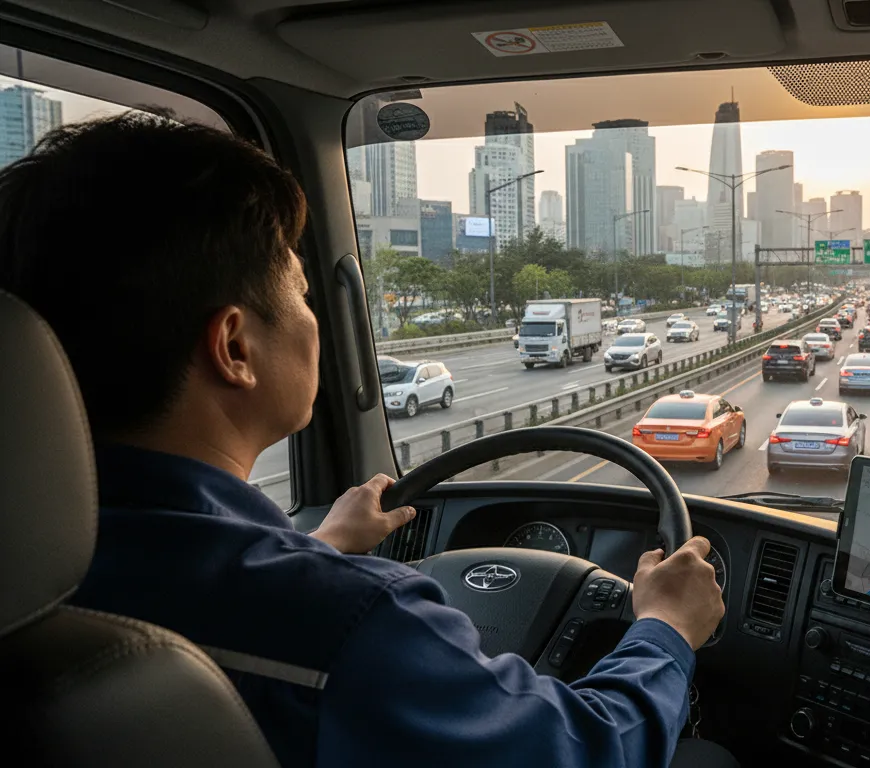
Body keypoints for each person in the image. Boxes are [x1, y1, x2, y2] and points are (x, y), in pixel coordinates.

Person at [0, 114, 731, 767]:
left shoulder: (35, 577)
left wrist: (321, 547)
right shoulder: (352, 623)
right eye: (301, 294)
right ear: (234, 347)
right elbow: (591, 747)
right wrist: (665, 628)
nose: (313, 321)